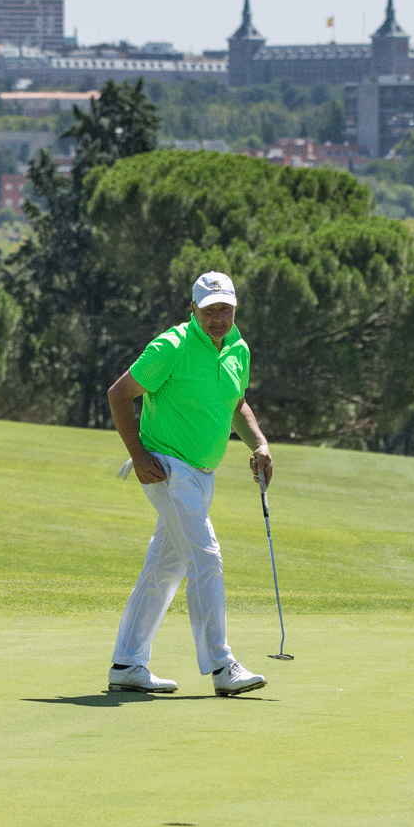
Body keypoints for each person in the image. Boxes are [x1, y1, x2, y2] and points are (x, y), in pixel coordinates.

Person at [106, 270, 273, 697]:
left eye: (227, 309)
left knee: (166, 566)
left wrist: (258, 443)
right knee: (206, 558)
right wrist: (139, 456)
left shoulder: (238, 349)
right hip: (165, 469)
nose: (219, 318)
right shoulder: (172, 346)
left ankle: (127, 663)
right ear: (194, 309)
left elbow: (234, 402)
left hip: (202, 475)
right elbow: (119, 394)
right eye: (211, 310)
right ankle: (221, 665)